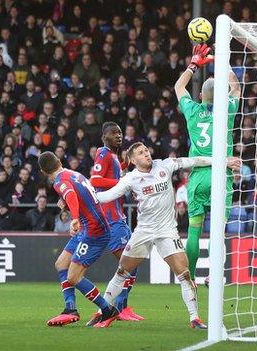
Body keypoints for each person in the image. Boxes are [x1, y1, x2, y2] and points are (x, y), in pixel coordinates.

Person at [95, 142, 240, 328]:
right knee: (122, 272)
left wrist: (222, 161)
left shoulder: (165, 165)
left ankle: (194, 318)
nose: (146, 154)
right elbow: (108, 196)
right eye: (140, 153)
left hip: (167, 231)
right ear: (132, 160)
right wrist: (85, 195)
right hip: (144, 231)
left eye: (146, 150)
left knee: (185, 274)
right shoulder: (130, 179)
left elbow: (194, 160)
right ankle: (103, 312)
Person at [174, 43, 241, 281]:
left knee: (194, 230)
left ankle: (189, 278)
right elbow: (236, 88)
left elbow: (179, 86)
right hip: (221, 176)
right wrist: (223, 63)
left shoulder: (192, 109)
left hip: (199, 176)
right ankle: (215, 276)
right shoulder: (228, 109)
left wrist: (194, 64)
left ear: (200, 96)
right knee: (218, 234)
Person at [39, 151, 119, 328]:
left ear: (44, 172)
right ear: (59, 161)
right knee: (61, 263)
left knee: (73, 277)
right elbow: (79, 195)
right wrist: (68, 205)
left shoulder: (59, 182)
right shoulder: (73, 173)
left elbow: (71, 195)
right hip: (87, 226)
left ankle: (107, 311)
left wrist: (74, 217)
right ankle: (70, 309)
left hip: (94, 230)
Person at [89, 122, 142, 321]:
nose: (118, 135)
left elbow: (115, 176)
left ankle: (122, 306)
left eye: (120, 132)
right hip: (110, 219)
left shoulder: (113, 157)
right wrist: (123, 182)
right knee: (129, 262)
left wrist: (126, 169)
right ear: (104, 136)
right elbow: (95, 180)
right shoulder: (103, 153)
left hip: (118, 217)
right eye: (114, 132)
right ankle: (114, 307)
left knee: (132, 260)